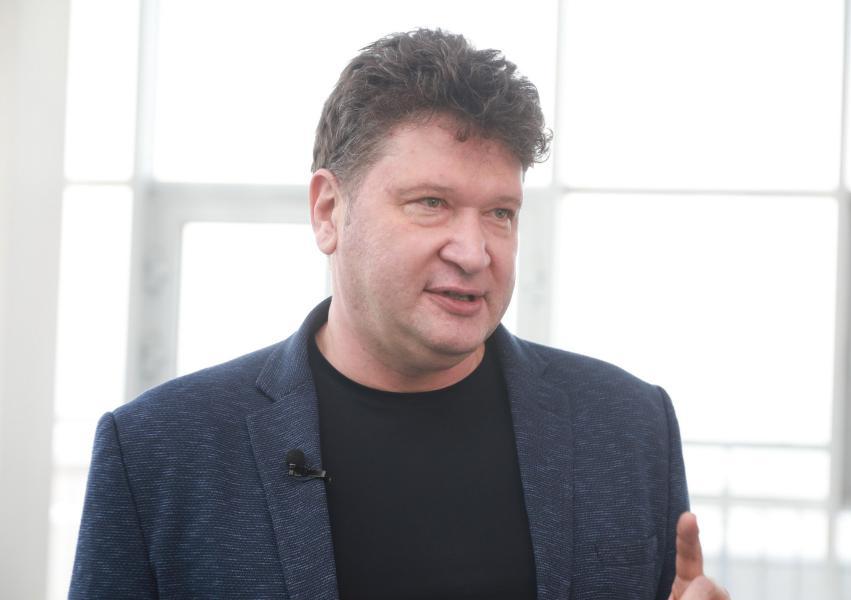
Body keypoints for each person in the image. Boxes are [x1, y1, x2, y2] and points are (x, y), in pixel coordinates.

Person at [69, 28, 728, 600]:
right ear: (329, 211)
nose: (474, 251)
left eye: (500, 213)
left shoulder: (628, 426)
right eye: (431, 203)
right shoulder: (158, 451)